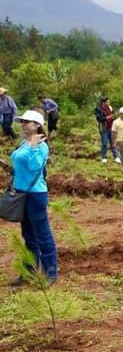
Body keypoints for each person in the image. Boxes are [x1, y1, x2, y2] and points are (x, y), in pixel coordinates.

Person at [8, 110, 57, 285]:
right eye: (22, 121)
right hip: (22, 194)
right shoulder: (24, 143)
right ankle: (28, 273)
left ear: (37, 125)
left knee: (43, 235)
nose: (22, 124)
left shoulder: (41, 145)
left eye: (26, 122)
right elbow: (16, 163)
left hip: (35, 195)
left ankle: (50, 274)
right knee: (28, 236)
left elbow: (35, 166)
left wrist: (34, 146)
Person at [95, 96, 120, 163]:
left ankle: (117, 157)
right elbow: (99, 119)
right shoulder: (98, 109)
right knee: (104, 143)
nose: (109, 103)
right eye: (108, 102)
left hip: (111, 128)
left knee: (113, 143)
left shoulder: (110, 108)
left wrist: (114, 117)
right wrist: (108, 117)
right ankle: (104, 157)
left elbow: (114, 116)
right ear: (103, 102)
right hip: (104, 129)